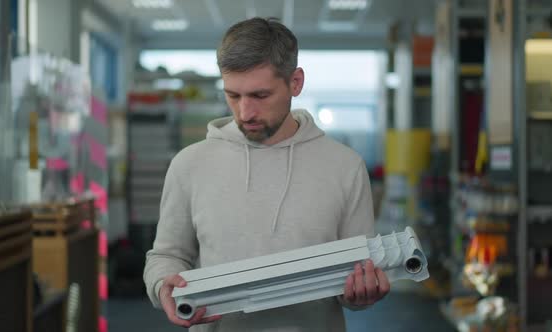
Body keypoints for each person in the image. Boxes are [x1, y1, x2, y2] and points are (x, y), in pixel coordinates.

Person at [143, 17, 389, 331]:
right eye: (233, 95)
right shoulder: (189, 164)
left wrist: (361, 294)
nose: (245, 113)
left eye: (260, 96)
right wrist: (164, 284)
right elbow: (166, 255)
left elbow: (356, 276)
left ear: (295, 83)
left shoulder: (345, 167)